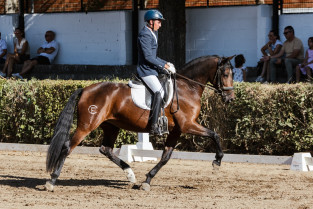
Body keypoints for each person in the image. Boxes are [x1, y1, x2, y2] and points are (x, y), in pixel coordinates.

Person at [137, 9, 176, 135]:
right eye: (158, 22)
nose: (160, 24)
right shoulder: (145, 34)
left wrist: (166, 64)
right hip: (145, 71)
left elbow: (154, 56)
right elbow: (148, 57)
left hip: (152, 69)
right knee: (158, 91)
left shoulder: (153, 33)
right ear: (151, 22)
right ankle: (153, 125)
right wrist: (163, 64)